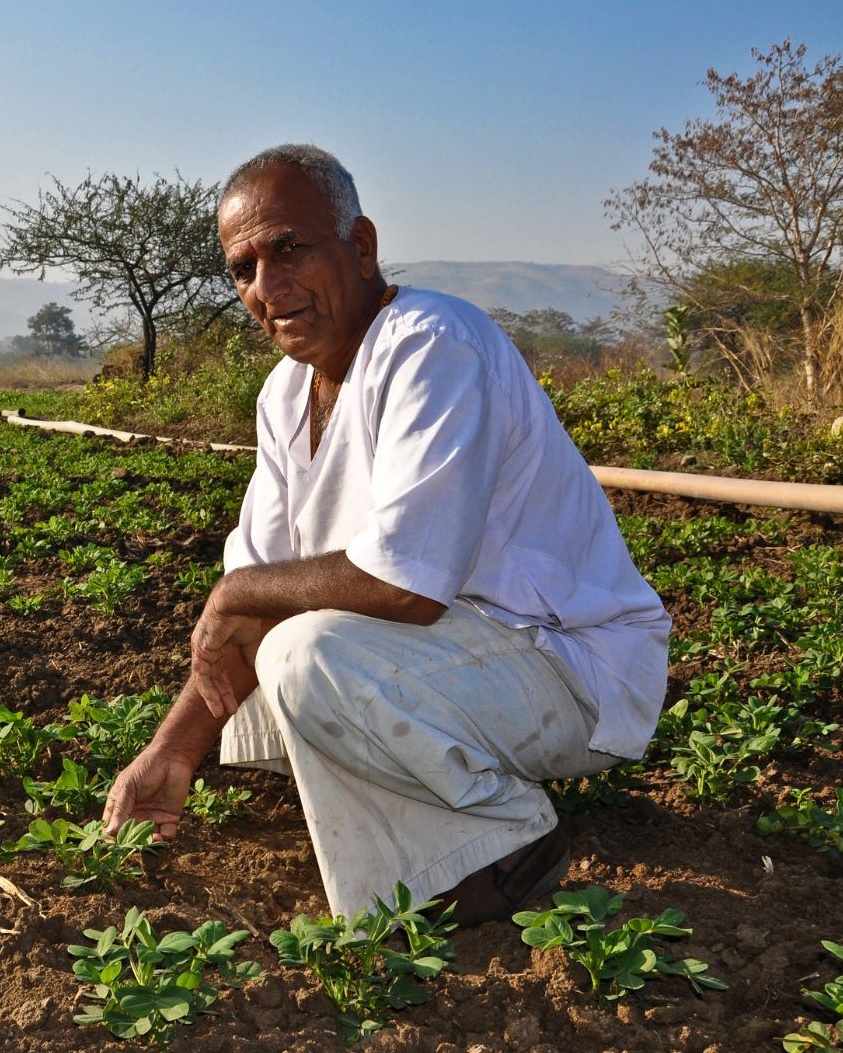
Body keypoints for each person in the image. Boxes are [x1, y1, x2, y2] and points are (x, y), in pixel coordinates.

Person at [102, 144, 670, 925]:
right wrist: (170, 752)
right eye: (242, 269)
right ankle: (418, 798)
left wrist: (236, 590)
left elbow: (406, 585)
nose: (267, 288)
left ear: (360, 247)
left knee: (303, 656)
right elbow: (256, 601)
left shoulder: (430, 343)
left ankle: (502, 834)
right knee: (273, 674)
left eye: (290, 248)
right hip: (464, 663)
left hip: (564, 668)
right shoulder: (283, 392)